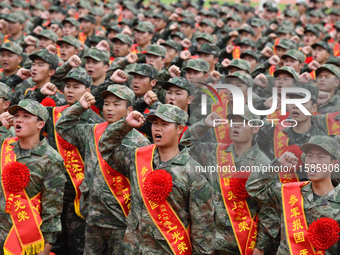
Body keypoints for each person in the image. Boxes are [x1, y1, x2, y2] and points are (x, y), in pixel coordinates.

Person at [99, 104, 215, 254]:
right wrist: (125, 124)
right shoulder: (137, 158)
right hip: (133, 249)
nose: (157, 128)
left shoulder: (193, 173)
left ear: (179, 129)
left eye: (165, 124)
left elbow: (203, 230)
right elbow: (106, 147)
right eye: (155, 123)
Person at [56, 85, 150, 254]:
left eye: (116, 104)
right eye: (106, 104)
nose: (109, 108)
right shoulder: (93, 131)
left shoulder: (140, 142)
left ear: (129, 109)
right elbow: (62, 127)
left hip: (122, 220)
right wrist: (80, 106)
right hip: (94, 217)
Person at [246, 135, 340, 254]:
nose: (313, 162)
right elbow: (254, 187)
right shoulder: (290, 192)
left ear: (334, 163)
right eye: (309, 156)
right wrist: (277, 164)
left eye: (320, 157)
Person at [0, 99, 66, 255]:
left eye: (26, 116)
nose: (19, 120)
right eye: (16, 115)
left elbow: (52, 208)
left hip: (24, 239)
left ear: (40, 124)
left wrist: (47, 246)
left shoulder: (51, 159)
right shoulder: (5, 146)